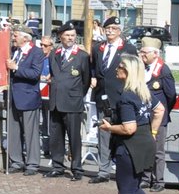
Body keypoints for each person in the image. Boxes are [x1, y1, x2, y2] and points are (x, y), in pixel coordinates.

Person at [96, 53, 166, 194]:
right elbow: (160, 110)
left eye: (120, 67)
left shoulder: (126, 96)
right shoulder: (143, 91)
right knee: (134, 186)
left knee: (125, 189)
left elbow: (129, 128)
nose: (117, 69)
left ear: (127, 72)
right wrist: (152, 131)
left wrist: (109, 127)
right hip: (145, 141)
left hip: (130, 145)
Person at [44, 26, 90, 180]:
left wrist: (76, 95)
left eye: (73, 35)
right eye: (67, 35)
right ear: (60, 37)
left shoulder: (82, 56)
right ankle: (57, 166)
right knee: (56, 136)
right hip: (56, 101)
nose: (71, 38)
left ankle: (77, 168)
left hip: (72, 102)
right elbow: (53, 75)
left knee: (74, 137)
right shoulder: (54, 54)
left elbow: (86, 81)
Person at [88, 18, 129, 184]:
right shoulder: (98, 48)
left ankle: (122, 170)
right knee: (103, 134)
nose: (110, 31)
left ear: (119, 31)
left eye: (114, 28)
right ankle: (103, 170)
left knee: (121, 135)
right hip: (102, 96)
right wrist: (93, 77)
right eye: (108, 28)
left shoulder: (128, 48)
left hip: (120, 97)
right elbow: (94, 68)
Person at [139, 40, 176, 191]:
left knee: (158, 150)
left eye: (144, 53)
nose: (141, 56)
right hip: (143, 115)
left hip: (158, 116)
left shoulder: (163, 70)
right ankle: (145, 178)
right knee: (145, 148)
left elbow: (171, 95)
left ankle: (159, 180)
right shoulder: (142, 68)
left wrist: (164, 112)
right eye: (140, 52)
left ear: (155, 54)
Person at [8, 29, 44, 174]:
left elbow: (35, 74)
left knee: (30, 133)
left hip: (28, 97)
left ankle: (32, 164)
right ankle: (16, 161)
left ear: (26, 38)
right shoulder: (13, 50)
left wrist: (16, 68)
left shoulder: (36, 52)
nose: (13, 38)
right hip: (12, 97)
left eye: (15, 35)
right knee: (14, 132)